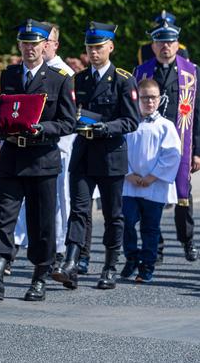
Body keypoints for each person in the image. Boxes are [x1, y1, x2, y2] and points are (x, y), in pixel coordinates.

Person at [0, 19, 75, 302]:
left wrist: (44, 128)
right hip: (13, 157)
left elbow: (68, 123)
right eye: (25, 43)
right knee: (5, 217)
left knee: (41, 222)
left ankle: (40, 276)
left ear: (46, 45)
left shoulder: (60, 78)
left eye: (35, 43)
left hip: (42, 159)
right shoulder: (10, 75)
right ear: (19, 45)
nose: (30, 48)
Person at [52, 22, 140, 291]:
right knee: (78, 211)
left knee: (113, 215)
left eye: (99, 47)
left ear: (111, 47)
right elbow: (69, 115)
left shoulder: (124, 79)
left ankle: (110, 266)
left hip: (111, 155)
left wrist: (106, 127)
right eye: (90, 47)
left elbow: (131, 121)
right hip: (83, 154)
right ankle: (71, 262)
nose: (93, 52)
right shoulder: (79, 79)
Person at [133, 16, 200, 263]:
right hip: (149, 144)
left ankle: (187, 241)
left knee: (183, 194)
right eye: (160, 42)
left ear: (177, 43)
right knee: (151, 196)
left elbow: (199, 113)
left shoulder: (192, 73)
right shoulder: (142, 72)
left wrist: (198, 151)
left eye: (170, 42)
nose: (165, 46)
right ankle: (155, 246)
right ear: (153, 46)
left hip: (181, 143)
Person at [13, 23, 76, 268]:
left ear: (53, 44)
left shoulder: (63, 74)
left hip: (57, 149)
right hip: (24, 150)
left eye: (44, 40)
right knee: (22, 204)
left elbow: (67, 118)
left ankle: (58, 248)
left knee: (58, 203)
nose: (40, 45)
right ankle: (16, 245)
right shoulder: (19, 72)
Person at [121, 79, 181, 282]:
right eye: (145, 97)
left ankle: (147, 266)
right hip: (129, 185)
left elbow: (171, 156)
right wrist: (128, 173)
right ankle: (131, 257)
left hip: (154, 186)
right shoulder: (129, 123)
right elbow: (120, 151)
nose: (149, 101)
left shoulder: (166, 126)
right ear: (138, 98)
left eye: (153, 97)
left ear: (159, 99)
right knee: (125, 222)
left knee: (150, 227)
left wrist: (151, 177)